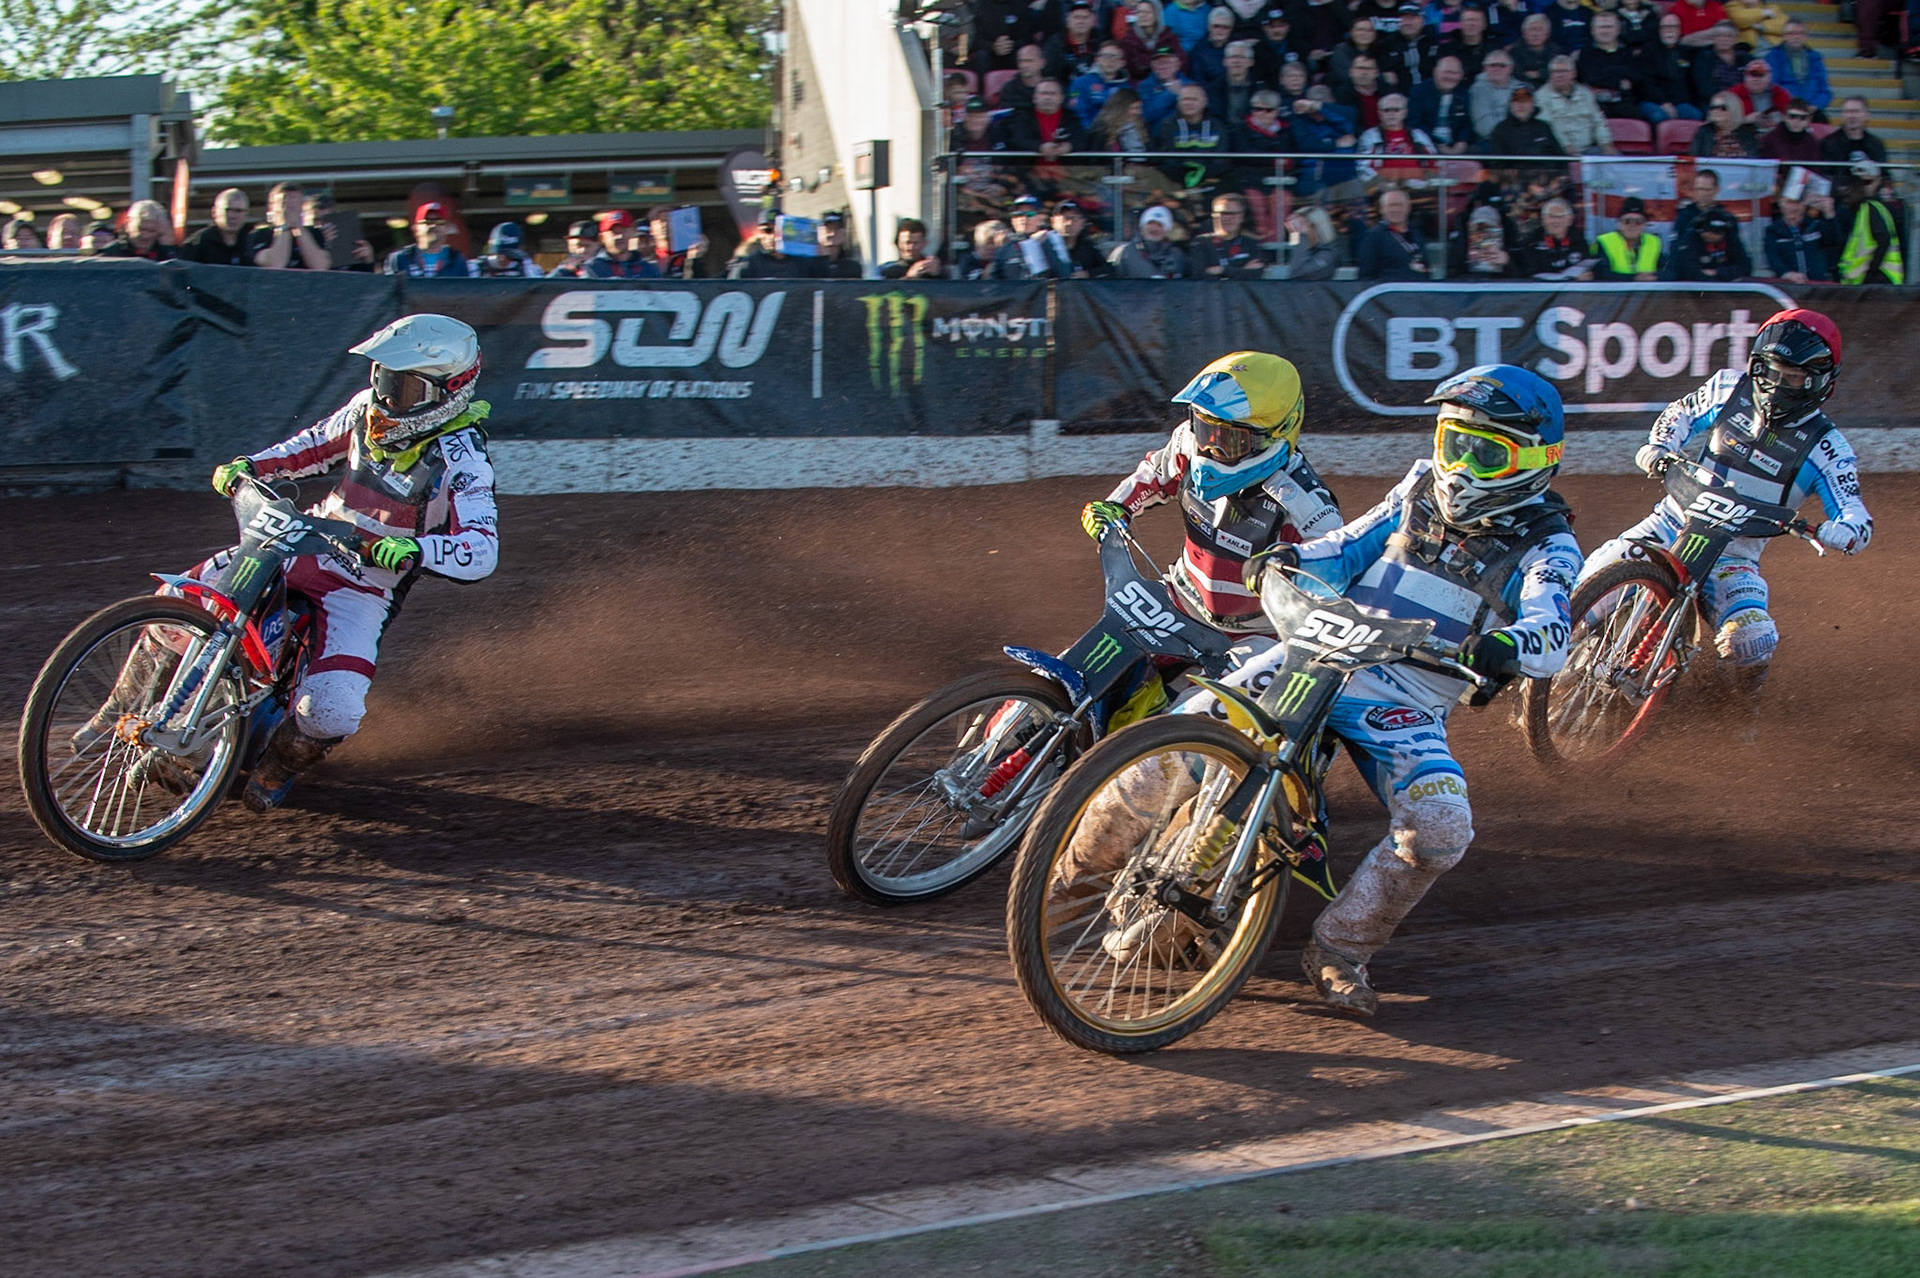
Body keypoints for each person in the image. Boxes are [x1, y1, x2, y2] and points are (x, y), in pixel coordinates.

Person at [1193, 364, 1581, 1015]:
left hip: (1404, 700)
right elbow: (1345, 547)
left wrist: (1506, 646)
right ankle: (1091, 873)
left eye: (1484, 452)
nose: (1458, 464)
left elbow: (1551, 631)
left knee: (1441, 826)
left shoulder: (1549, 545)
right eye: (1452, 442)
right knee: (1191, 728)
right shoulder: (1420, 484)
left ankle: (1340, 950)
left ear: (1535, 462)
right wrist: (1292, 559)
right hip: (1319, 650)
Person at [197, 314, 497, 811]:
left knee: (333, 712)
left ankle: (277, 765)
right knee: (181, 598)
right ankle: (117, 709)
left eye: (403, 388)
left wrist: (415, 549)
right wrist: (252, 466)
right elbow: (310, 446)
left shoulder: (462, 460)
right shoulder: (364, 410)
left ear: (450, 392)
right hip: (302, 539)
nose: (384, 395)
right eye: (381, 378)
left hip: (364, 584)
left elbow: (483, 548)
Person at [1578, 309, 1869, 726]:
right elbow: (1679, 414)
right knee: (1591, 581)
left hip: (1733, 559)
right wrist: (1659, 446)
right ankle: (1542, 667)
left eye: (1792, 378)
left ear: (1819, 383)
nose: (1776, 387)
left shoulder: (1829, 447)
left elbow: (1857, 517)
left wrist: (1842, 531)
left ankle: (1734, 718)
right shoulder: (1727, 388)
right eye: (1770, 372)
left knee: (1753, 638)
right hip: (1670, 523)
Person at [1079, 351, 1343, 637]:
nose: (1209, 449)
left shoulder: (1308, 510)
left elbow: (1332, 584)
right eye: (1206, 430)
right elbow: (1154, 475)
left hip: (1259, 633)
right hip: (1179, 600)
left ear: (1277, 433)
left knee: (1200, 686)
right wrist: (1116, 507)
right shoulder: (1187, 443)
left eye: (1229, 440)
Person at [1536, 55, 1618, 153]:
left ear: (1574, 73)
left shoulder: (1586, 93)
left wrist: (1605, 144)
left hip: (1589, 149)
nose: (1559, 75)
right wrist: (1567, 146)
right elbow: (1548, 126)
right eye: (1555, 72)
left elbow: (1598, 121)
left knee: (1616, 160)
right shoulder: (1541, 96)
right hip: (1559, 152)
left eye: (1564, 71)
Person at [1837, 163, 1903, 284]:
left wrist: (1871, 271)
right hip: (1864, 279)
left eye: (1867, 182)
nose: (1862, 187)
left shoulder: (1872, 208)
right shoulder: (1854, 210)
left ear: (1878, 181)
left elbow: (1884, 239)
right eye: (1858, 184)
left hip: (1878, 278)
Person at [1635, 12, 1702, 123]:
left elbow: (1692, 83)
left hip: (1681, 103)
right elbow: (1646, 82)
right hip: (1653, 101)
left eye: (1674, 27)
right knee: (1658, 116)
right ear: (1659, 30)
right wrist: (1664, 102)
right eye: (1665, 27)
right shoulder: (1648, 51)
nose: (1669, 31)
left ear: (1680, 31)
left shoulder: (1687, 52)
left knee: (1696, 115)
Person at [249, 182, 331, 270]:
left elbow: (320, 265)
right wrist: (286, 226)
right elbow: (275, 264)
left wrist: (299, 229)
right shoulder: (260, 234)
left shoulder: (315, 233)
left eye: (295, 203)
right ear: (272, 207)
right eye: (284, 203)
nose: (290, 208)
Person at [1357, 94, 1439, 181]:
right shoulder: (1369, 136)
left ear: (1405, 112)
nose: (1391, 114)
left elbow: (1434, 163)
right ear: (1379, 113)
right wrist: (1380, 183)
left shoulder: (1419, 135)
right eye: (1386, 110)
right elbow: (1363, 168)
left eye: (1396, 110)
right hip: (1383, 188)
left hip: (1418, 187)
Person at [1577, 13, 1643, 120]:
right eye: (1601, 27)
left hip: (1624, 103)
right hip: (1596, 104)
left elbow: (1635, 76)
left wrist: (1607, 72)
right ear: (1593, 31)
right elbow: (1591, 78)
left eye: (1609, 27)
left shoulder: (1626, 52)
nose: (1605, 31)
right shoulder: (1586, 53)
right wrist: (1619, 81)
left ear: (1617, 30)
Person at [1189, 192, 1269, 278]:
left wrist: (1222, 270)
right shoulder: (1200, 243)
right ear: (1214, 215)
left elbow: (1256, 273)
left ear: (1242, 216)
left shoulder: (1251, 244)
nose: (1227, 218)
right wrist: (1242, 271)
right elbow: (1200, 276)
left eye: (1233, 214)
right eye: (1223, 213)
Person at [1764, 192, 1839, 283]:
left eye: (1798, 202)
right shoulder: (1773, 231)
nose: (1793, 208)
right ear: (1780, 203)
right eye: (1789, 202)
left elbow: (1835, 242)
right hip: (1788, 285)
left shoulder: (1816, 225)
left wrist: (1829, 215)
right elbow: (1773, 257)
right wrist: (1786, 273)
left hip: (1818, 284)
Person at [1357, 187, 1428, 280]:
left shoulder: (1416, 233)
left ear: (1408, 208)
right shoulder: (1373, 236)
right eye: (1391, 205)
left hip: (1419, 290)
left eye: (1399, 205)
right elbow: (1366, 275)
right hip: (1390, 292)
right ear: (1382, 209)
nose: (1395, 210)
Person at [1512, 197, 1592, 278]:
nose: (1556, 221)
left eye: (1561, 216)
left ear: (1570, 219)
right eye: (1551, 216)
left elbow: (1587, 266)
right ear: (1543, 219)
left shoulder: (1580, 239)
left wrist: (1586, 276)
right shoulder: (1531, 241)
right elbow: (1525, 272)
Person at [384, 202, 469, 276]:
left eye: (439, 222)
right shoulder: (399, 259)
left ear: (447, 228)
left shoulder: (458, 260)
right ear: (415, 227)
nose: (433, 226)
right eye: (427, 221)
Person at [1765, 20, 1831, 116]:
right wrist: (1792, 106)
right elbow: (1774, 87)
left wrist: (1815, 105)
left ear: (1805, 36)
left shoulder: (1816, 57)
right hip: (1785, 109)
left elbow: (1825, 91)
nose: (1796, 37)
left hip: (1812, 109)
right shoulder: (1773, 56)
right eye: (1791, 33)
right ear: (1784, 36)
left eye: (1799, 33)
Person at [1667, 206, 1751, 280]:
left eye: (1717, 233)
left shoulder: (1731, 239)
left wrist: (1717, 272)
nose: (1712, 235)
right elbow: (1685, 269)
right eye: (1708, 231)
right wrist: (1727, 275)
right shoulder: (1690, 239)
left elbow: (1745, 267)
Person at [1486, 86, 1566, 163]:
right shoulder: (1500, 130)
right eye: (1516, 101)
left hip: (1546, 175)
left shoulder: (1543, 127)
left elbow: (1560, 159)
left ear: (1533, 105)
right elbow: (1497, 164)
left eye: (1525, 101)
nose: (1520, 105)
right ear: (1511, 105)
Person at [1409, 54, 1474, 150]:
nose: (1450, 77)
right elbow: (1414, 124)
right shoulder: (1418, 92)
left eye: (1454, 73)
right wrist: (1437, 144)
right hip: (1425, 145)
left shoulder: (1464, 93)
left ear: (1461, 75)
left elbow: (1466, 123)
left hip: (1456, 147)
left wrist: (1462, 142)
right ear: (1435, 72)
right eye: (1447, 72)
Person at [1592, 195, 1664, 279]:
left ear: (1645, 224)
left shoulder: (1653, 242)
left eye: (1638, 222)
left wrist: (1655, 276)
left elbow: (1669, 271)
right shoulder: (1604, 241)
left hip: (1650, 291)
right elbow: (1601, 274)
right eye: (1627, 221)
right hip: (1614, 291)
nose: (1632, 225)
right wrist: (1634, 278)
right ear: (1619, 224)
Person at [1108, 205, 1191, 277]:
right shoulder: (1124, 252)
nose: (1154, 229)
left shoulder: (1178, 255)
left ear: (1166, 230)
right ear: (1142, 226)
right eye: (1150, 223)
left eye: (1160, 225)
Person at [1070, 42, 1136, 126]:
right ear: (1097, 59)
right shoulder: (1081, 83)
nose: (1110, 61)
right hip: (1088, 134)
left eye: (1115, 57)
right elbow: (1077, 113)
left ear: (1122, 63)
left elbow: (1132, 118)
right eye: (1106, 56)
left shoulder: (1127, 89)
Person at [581, 209, 662, 278]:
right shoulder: (592, 268)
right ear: (602, 238)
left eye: (624, 231)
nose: (619, 236)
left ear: (633, 232)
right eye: (614, 232)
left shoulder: (649, 269)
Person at [185, 188, 254, 266]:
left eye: (238, 211)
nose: (232, 216)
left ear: (247, 214)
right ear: (214, 212)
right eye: (227, 210)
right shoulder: (197, 244)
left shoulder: (252, 242)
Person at [1818, 97, 1888, 174]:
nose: (1852, 116)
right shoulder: (1828, 143)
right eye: (1848, 112)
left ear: (1867, 115)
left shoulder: (1876, 144)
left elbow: (1884, 174)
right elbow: (1825, 174)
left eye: (1856, 111)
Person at [100, 200, 177, 261]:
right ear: (128, 224)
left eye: (152, 231)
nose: (145, 236)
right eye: (141, 229)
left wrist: (168, 246)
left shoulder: (166, 253)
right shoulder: (111, 254)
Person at [647, 205, 711, 278]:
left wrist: (694, 259)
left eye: (668, 220)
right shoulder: (644, 256)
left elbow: (698, 281)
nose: (664, 225)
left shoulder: (688, 255)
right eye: (659, 221)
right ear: (651, 228)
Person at [1468, 49, 1519, 141]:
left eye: (1502, 65)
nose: (1497, 68)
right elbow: (1483, 128)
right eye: (1493, 65)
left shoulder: (1521, 88)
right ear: (1485, 68)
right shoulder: (1478, 89)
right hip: (1491, 141)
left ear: (1511, 68)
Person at [1692, 93, 1761, 157]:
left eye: (1722, 108)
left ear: (1733, 109)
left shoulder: (1748, 132)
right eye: (1713, 107)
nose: (1716, 111)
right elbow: (1695, 159)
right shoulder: (1703, 132)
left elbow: (1755, 159)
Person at [1285, 206, 1342, 279]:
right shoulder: (1299, 250)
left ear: (1315, 227)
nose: (1296, 232)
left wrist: (1302, 236)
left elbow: (1297, 273)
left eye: (1301, 224)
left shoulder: (1328, 254)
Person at [879, 217, 946, 279]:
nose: (910, 248)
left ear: (924, 243)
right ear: (898, 243)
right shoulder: (885, 270)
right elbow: (878, 289)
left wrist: (937, 275)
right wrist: (909, 277)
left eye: (915, 243)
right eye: (907, 243)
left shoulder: (933, 268)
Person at [1440, 4, 1494, 80]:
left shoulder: (1494, 48)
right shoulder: (1447, 50)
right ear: (1460, 24)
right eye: (1467, 20)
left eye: (1476, 20)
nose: (1471, 24)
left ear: (1484, 25)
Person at [1733, 58, 1790, 131]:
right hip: (1746, 135)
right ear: (1745, 77)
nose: (1756, 79)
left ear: (1769, 77)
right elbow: (1722, 122)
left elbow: (1794, 115)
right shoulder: (1734, 94)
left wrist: (1781, 119)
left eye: (1760, 75)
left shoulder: (1781, 93)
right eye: (1752, 75)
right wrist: (1745, 120)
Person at [1759, 98, 1822, 162]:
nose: (1797, 121)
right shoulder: (1769, 140)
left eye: (1802, 118)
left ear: (1809, 120)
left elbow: (1815, 170)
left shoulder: (1812, 143)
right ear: (1784, 117)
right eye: (1792, 117)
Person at [470, 222, 543, 277]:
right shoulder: (475, 267)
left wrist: (527, 264)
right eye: (499, 254)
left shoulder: (526, 268)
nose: (502, 259)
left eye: (508, 254)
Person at [1510, 15, 1563, 90]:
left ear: (1547, 34)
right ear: (1524, 34)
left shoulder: (1556, 50)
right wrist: (1544, 74)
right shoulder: (1515, 51)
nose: (1535, 34)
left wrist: (1538, 74)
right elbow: (1518, 75)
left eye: (1539, 29)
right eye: (1532, 29)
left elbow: (1559, 73)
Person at [811, 210, 864, 278]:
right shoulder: (809, 266)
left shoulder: (851, 267)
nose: (831, 234)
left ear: (843, 233)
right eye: (828, 229)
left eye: (836, 229)